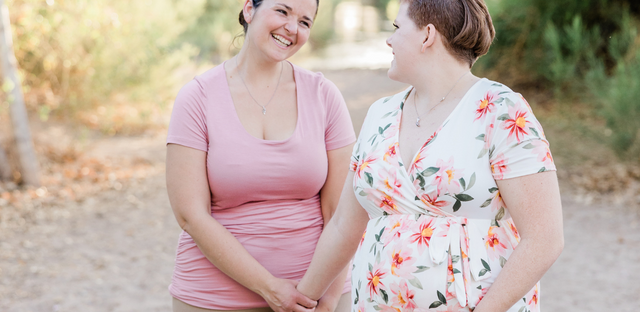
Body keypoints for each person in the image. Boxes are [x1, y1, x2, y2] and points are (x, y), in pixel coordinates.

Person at [296, 0, 564, 311]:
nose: (389, 39)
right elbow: (344, 224)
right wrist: (302, 298)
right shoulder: (380, 114)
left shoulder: (501, 110)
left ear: (427, 35)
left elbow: (544, 239)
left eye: (397, 28)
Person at [165, 0, 355, 311]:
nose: (292, 28)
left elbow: (342, 212)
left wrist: (327, 298)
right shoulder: (196, 97)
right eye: (282, 11)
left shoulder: (324, 95)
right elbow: (190, 215)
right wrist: (272, 290)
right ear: (249, 10)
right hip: (214, 297)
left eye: (305, 22)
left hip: (317, 296)